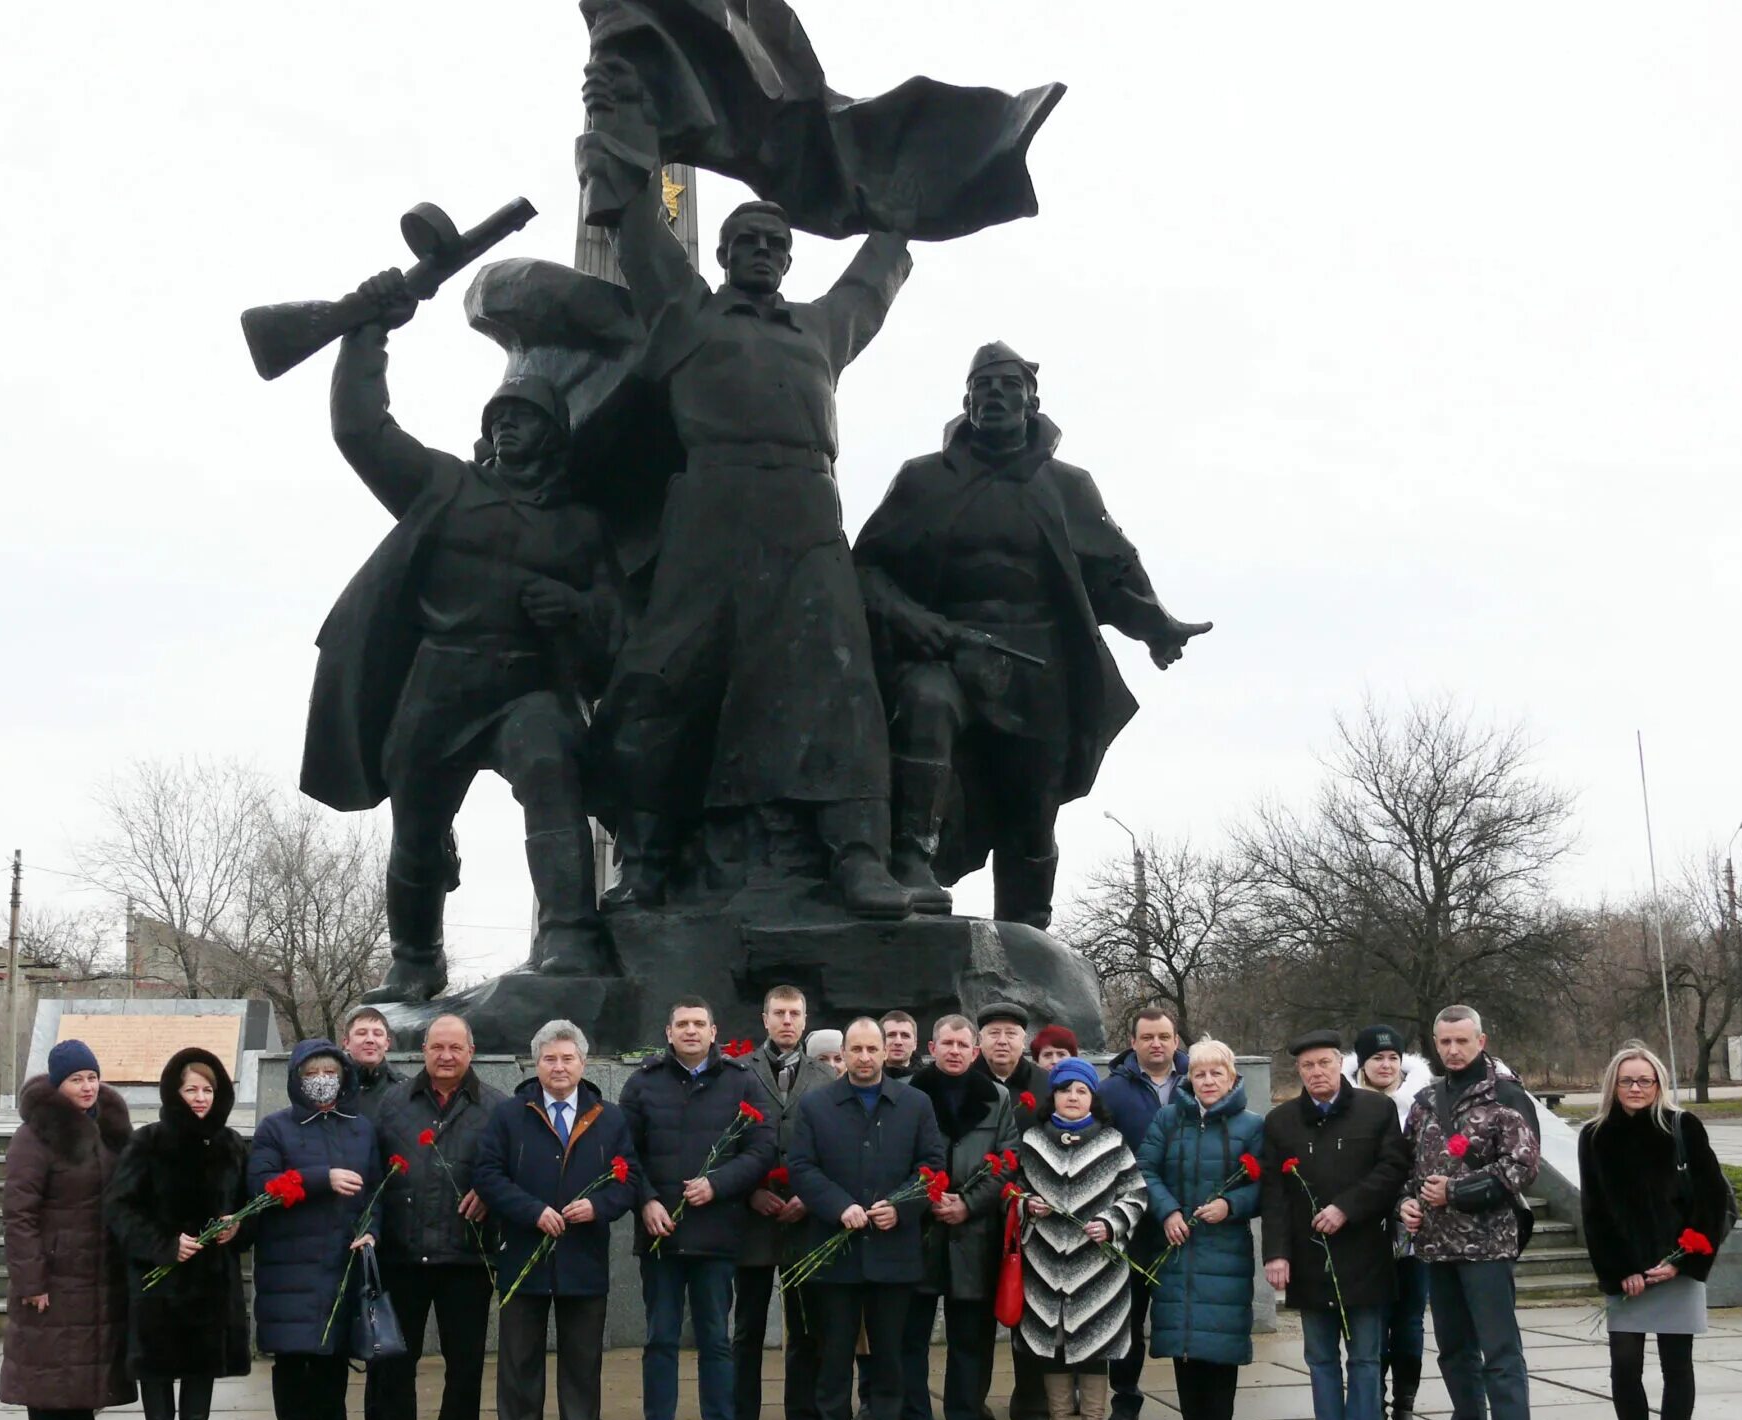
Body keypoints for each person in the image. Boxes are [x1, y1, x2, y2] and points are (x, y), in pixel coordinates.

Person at [581, 60, 917, 920]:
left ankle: (857, 855)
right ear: (724, 255)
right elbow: (634, 225)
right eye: (747, 243)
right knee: (664, 680)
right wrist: (618, 108)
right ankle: (648, 858)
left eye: (776, 243)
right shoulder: (685, 313)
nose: (763, 252)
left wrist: (907, 200)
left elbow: (877, 275)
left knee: (842, 687)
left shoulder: (821, 328)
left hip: (807, 513)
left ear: (790, 257)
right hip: (711, 511)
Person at [307, 274, 619, 998]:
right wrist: (366, 334)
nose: (508, 426)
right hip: (439, 681)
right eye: (499, 414)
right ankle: (416, 957)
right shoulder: (443, 487)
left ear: (552, 431)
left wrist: (573, 607)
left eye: (525, 416)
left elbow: (617, 617)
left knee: (551, 769)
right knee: (416, 824)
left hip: (527, 686)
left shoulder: (579, 525)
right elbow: (362, 431)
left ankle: (569, 932)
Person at [854, 343, 1208, 923]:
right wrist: (920, 625)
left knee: (1033, 810)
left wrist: (1155, 627)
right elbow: (866, 568)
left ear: (1032, 400)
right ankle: (912, 856)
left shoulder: (1068, 485)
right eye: (983, 386)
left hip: (1039, 667)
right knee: (924, 704)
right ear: (965, 401)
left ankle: (1029, 936)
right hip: (948, 653)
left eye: (1008, 386)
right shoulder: (923, 480)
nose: (995, 396)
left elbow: (1111, 573)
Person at [472, 1020, 640, 1420]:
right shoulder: (509, 1115)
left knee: (582, 1368)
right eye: (550, 1058)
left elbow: (630, 1181)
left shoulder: (610, 1118)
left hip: (583, 1261)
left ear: (583, 1064)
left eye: (568, 1058)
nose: (559, 1067)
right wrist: (531, 1211)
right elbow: (488, 1174)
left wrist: (599, 1206)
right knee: (519, 1366)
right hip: (523, 1258)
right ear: (536, 1063)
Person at [619, 997, 776, 1420]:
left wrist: (721, 1183)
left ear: (714, 1031)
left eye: (698, 1024)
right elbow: (623, 1152)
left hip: (716, 1235)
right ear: (668, 1032)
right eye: (681, 1024)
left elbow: (763, 1146)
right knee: (660, 1340)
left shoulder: (741, 1080)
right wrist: (645, 1200)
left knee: (716, 1342)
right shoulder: (642, 1083)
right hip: (661, 1237)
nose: (690, 1031)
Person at [787, 1019, 946, 1420]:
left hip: (893, 1254)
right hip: (836, 1257)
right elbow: (801, 1166)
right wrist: (840, 1208)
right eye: (854, 1049)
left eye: (871, 1048)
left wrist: (901, 1207)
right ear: (845, 1053)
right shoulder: (817, 1105)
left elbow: (932, 1168)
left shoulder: (915, 1104)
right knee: (834, 1358)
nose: (863, 1057)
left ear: (884, 1053)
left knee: (889, 1360)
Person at [1399, 1004, 1542, 1420]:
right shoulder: (1425, 1100)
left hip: (1487, 1247)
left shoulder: (1505, 1096)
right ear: (1435, 1044)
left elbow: (1522, 1167)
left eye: (1462, 1041)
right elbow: (1405, 1167)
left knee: (1500, 1356)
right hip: (1437, 1248)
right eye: (1445, 1042)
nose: (1453, 1050)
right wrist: (1407, 1205)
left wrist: (1456, 1193)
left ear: (1481, 1041)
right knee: (1455, 1352)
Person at [1579, 1042, 1729, 1420]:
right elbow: (1595, 1211)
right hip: (1628, 1276)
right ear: (1613, 1085)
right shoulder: (1594, 1135)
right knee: (1624, 1368)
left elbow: (1711, 1202)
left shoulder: (1684, 1127)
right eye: (1627, 1080)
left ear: (1660, 1083)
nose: (1636, 1088)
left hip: (1677, 1267)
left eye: (1645, 1080)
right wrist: (1621, 1269)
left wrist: (1681, 1261)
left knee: (1675, 1367)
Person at [1260, 1030, 1410, 1420]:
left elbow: (1392, 1170)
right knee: (1320, 1356)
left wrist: (1348, 1207)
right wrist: (1275, 1253)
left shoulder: (1376, 1110)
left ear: (1340, 1063)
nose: (1316, 1073)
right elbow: (1275, 1194)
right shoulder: (1281, 1122)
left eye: (1324, 1063)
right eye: (1307, 1066)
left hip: (1363, 1253)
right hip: (1308, 1259)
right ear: (1298, 1072)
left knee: (1365, 1355)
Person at [105, 1047, 251, 1420]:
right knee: (159, 1369)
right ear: (174, 1091)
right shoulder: (148, 1142)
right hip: (161, 1284)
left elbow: (247, 1204)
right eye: (191, 1089)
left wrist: (239, 1227)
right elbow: (119, 1207)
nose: (200, 1098)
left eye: (208, 1089)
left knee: (201, 1368)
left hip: (211, 1283)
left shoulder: (230, 1145)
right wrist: (165, 1244)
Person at [365, 1013, 505, 1420]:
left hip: (465, 1255)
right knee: (394, 1360)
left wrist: (491, 1193)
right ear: (423, 1050)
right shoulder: (392, 1103)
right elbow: (371, 1175)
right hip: (401, 1255)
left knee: (464, 1360)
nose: (446, 1057)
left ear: (471, 1052)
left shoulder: (496, 1108)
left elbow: (513, 1174)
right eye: (437, 1047)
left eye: (456, 1048)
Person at [0, 1041, 135, 1420]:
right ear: (58, 1085)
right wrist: (31, 1281)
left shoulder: (111, 1129)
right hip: (56, 1278)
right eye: (76, 1079)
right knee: (51, 1376)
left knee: (90, 1376)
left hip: (103, 1275)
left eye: (92, 1078)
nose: (87, 1087)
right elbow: (19, 1213)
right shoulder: (36, 1135)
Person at [249, 1039, 381, 1420]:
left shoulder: (361, 1129)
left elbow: (375, 1193)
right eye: (312, 1073)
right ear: (297, 1079)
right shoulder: (275, 1128)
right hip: (290, 1269)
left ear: (344, 1076)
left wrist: (372, 1230)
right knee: (293, 1367)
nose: (322, 1080)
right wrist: (319, 1180)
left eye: (331, 1071)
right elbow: (262, 1188)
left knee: (330, 1369)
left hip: (341, 1265)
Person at [1138, 1038, 1264, 1420]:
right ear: (1187, 1078)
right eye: (1199, 1073)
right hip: (1176, 1246)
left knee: (1220, 1345)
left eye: (1216, 1073)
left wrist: (1232, 1205)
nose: (1207, 1081)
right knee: (1183, 1343)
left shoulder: (1251, 1125)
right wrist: (1167, 1211)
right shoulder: (1168, 1120)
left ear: (1231, 1077)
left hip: (1224, 1248)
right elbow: (1145, 1171)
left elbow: (1264, 1186)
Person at [1017, 1057, 1148, 1420]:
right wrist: (1025, 1204)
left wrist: (1111, 1223)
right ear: (1052, 1095)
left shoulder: (1113, 1142)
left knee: (1095, 1349)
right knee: (1053, 1349)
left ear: (1092, 1098)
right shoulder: (1033, 1142)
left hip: (1099, 1269)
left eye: (1082, 1091)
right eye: (1065, 1089)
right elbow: (1013, 1191)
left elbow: (1136, 1194)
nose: (1073, 1097)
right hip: (1044, 1265)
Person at [903, 1014, 1020, 1420]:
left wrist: (967, 1204)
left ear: (975, 1052)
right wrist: (926, 1198)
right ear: (932, 1047)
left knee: (970, 1342)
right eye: (946, 1043)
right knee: (909, 1342)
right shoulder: (910, 1094)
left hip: (974, 1238)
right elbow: (898, 1155)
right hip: (920, 1234)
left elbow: (1008, 1160)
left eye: (962, 1044)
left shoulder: (998, 1097)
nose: (954, 1051)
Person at [733, 984, 834, 1420]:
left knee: (806, 1330)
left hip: (805, 1221)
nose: (788, 1021)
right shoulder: (738, 1072)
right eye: (779, 1013)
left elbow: (835, 1148)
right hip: (753, 1219)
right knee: (747, 1331)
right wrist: (749, 1190)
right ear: (765, 1018)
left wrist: (809, 1199)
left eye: (795, 1012)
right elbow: (728, 1142)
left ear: (806, 1018)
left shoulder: (825, 1077)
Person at [1099, 1004, 1188, 1420]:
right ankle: (1126, 1400)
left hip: (1184, 1222)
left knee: (1183, 1315)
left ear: (1176, 1041)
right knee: (1128, 1319)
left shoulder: (1197, 1082)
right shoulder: (1111, 1093)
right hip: (1132, 1224)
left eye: (1164, 1037)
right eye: (1148, 1037)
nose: (1157, 1044)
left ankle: (1195, 1410)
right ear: (1132, 1042)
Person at [973, 1001, 1052, 1420]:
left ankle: (1032, 1412)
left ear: (1025, 1041)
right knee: (977, 1321)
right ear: (979, 1040)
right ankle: (975, 1411)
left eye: (1011, 1034)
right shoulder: (966, 1083)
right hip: (980, 1217)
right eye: (994, 1033)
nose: (1002, 1041)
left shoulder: (1046, 1086)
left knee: (1032, 1320)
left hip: (1034, 1220)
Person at [1350, 1023, 1427, 1420]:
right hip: (1364, 1231)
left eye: (1392, 1058)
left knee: (1410, 1323)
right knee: (1370, 1325)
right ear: (1362, 1063)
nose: (1385, 1065)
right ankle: (1371, 1409)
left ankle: (1404, 1407)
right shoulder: (1346, 1105)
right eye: (1377, 1058)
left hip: (1414, 1229)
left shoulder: (1422, 1104)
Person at [342, 1007, 408, 1119]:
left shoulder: (405, 1089)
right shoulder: (333, 1085)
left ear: (387, 1043)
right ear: (346, 1042)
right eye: (361, 1033)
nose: (370, 1040)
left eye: (377, 1034)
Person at [881, 1010, 924, 1078]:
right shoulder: (864, 1080)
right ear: (879, 1041)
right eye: (891, 1035)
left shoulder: (930, 1082)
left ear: (915, 1044)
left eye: (905, 1036)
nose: (898, 1042)